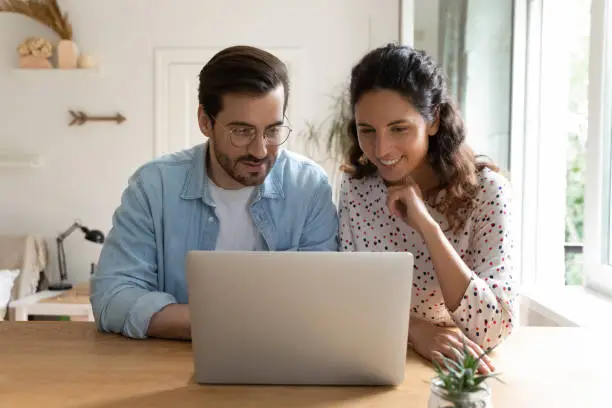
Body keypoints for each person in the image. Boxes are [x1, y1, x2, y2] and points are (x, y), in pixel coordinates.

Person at [90, 45, 339, 340]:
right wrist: (223, 324)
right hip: (171, 367)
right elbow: (113, 296)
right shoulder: (153, 186)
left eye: (272, 130)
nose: (260, 150)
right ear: (205, 122)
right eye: (242, 131)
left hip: (284, 366)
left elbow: (323, 299)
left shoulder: (308, 187)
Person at [338, 44, 517, 374]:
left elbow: (493, 329)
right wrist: (415, 331)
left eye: (399, 128)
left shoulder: (488, 192)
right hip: (379, 360)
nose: (381, 149)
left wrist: (428, 227)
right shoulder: (356, 189)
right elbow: (348, 299)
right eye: (367, 131)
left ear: (433, 120)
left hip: (460, 369)